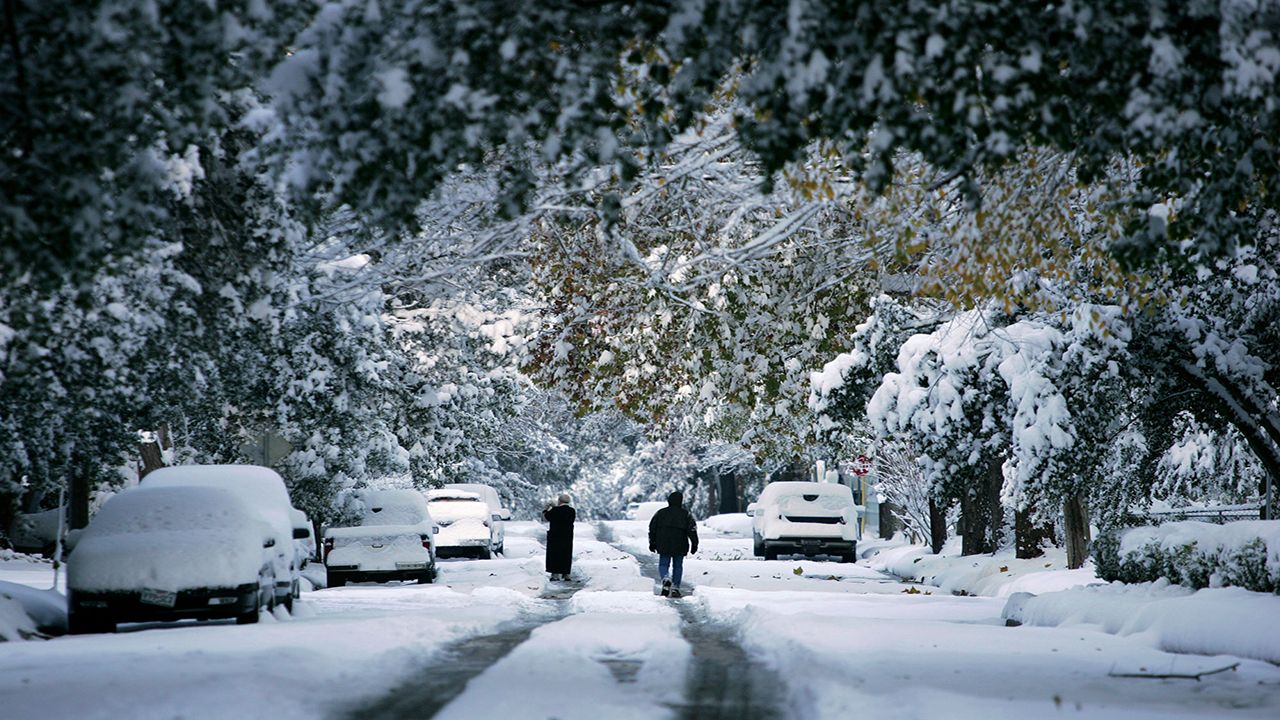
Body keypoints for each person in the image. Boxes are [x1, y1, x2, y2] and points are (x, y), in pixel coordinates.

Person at [648, 490, 698, 597]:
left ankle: (665, 578)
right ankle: (675, 586)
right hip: (680, 544)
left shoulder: (660, 513)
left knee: (663, 564)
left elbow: (652, 528)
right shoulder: (686, 514)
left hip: (663, 543)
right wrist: (694, 544)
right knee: (678, 566)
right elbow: (692, 530)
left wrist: (652, 542)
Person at [543, 493, 576, 581]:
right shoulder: (572, 511)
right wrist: (555, 508)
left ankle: (555, 574)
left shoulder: (555, 511)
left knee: (555, 554)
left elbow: (547, 517)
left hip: (555, 536)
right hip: (567, 536)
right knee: (566, 554)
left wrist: (546, 509)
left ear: (559, 501)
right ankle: (566, 574)